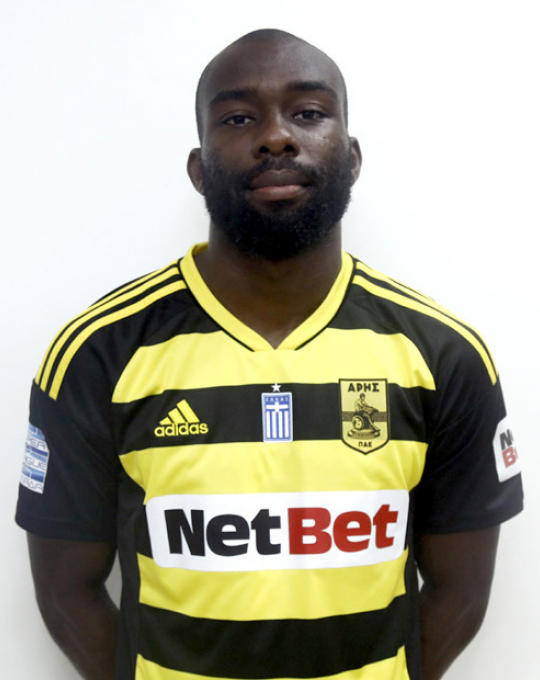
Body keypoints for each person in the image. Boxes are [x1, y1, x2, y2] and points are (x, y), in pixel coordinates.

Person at [16, 29, 523, 680]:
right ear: (199, 168)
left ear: (353, 157)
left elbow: (461, 592)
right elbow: (67, 594)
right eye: (237, 118)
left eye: (308, 112)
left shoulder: (445, 354)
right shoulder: (97, 352)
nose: (277, 137)